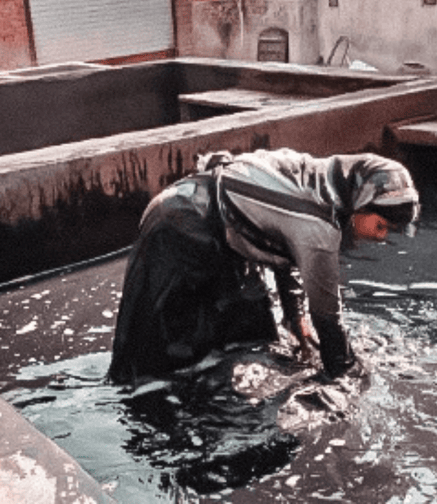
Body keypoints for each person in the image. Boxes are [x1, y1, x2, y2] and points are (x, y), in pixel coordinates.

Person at [107, 148, 420, 385]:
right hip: (179, 222)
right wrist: (345, 370)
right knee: (155, 349)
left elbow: (289, 252)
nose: (382, 238)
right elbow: (327, 312)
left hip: (225, 224)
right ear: (360, 204)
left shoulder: (327, 184)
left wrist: (296, 320)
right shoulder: (320, 226)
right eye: (382, 226)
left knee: (250, 330)